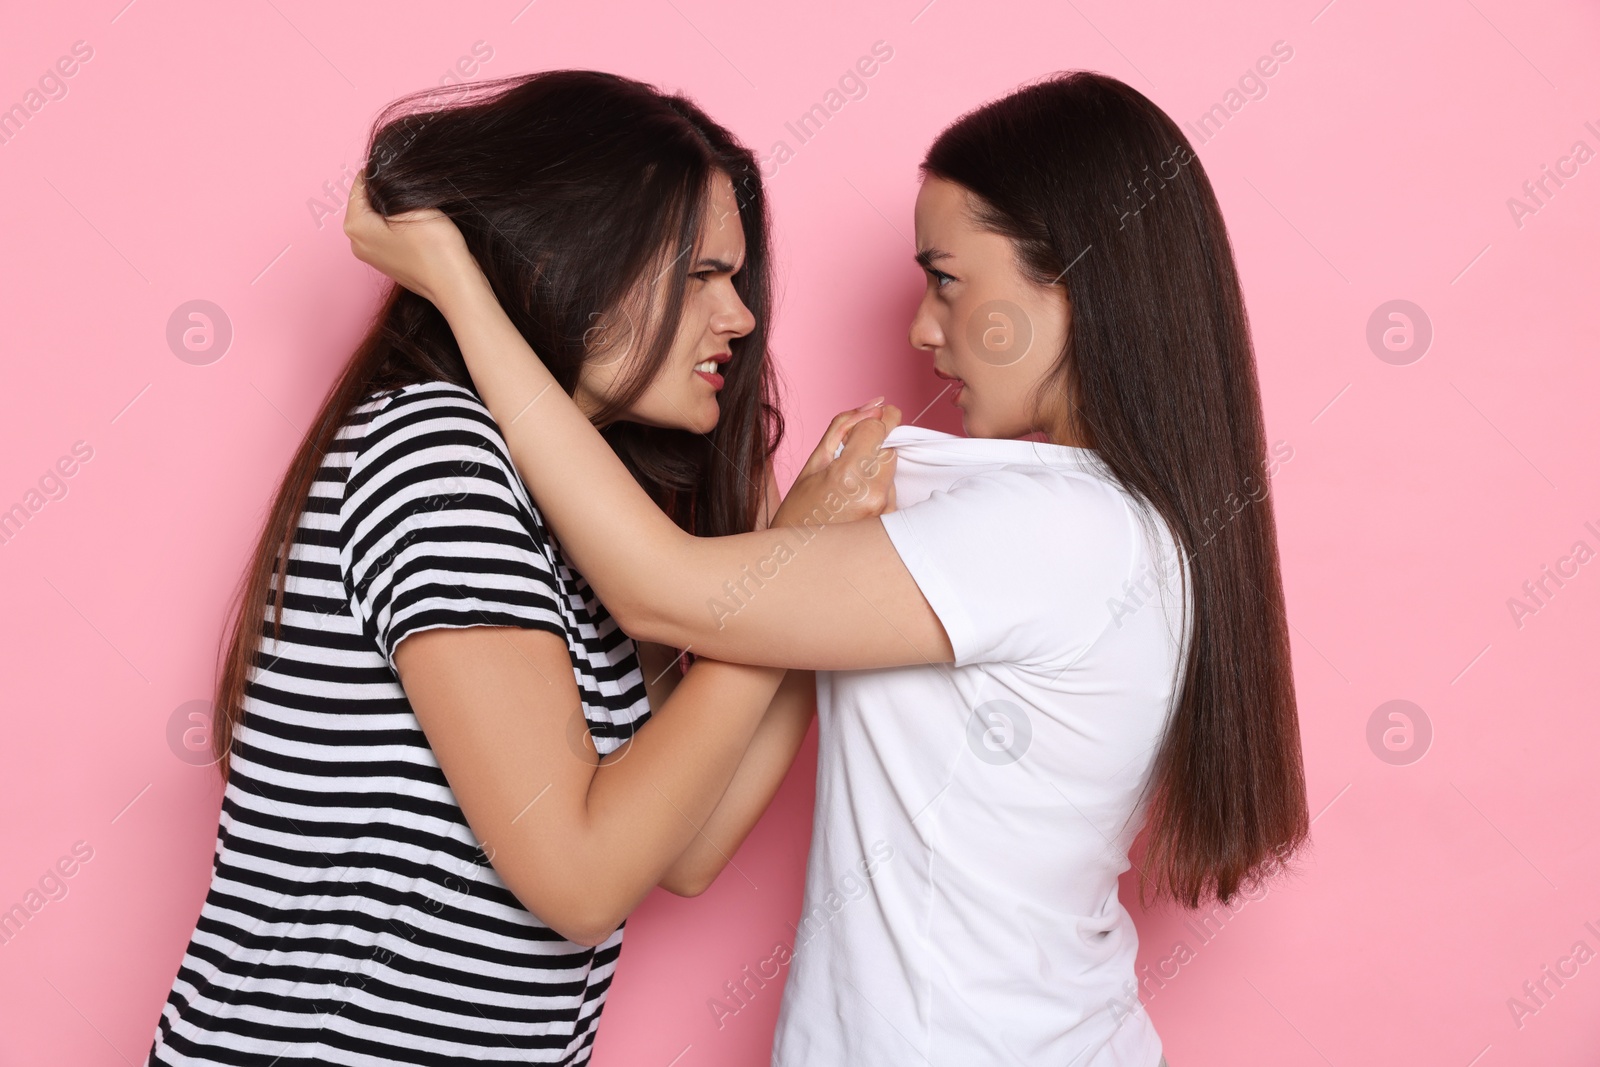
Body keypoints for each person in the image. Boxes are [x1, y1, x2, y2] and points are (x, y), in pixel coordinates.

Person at [344, 70, 1309, 1067]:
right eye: (699, 276)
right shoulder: (1032, 518)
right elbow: (680, 844)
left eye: (947, 279)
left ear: (1073, 280)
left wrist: (461, 290)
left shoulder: (1057, 528)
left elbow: (658, 585)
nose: (921, 330)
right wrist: (795, 547)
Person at [145, 70, 893, 1066]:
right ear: (568, 257)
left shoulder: (568, 515)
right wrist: (788, 572)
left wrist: (799, 592)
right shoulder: (437, 454)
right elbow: (580, 878)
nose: (740, 318)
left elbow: (682, 846)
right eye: (700, 274)